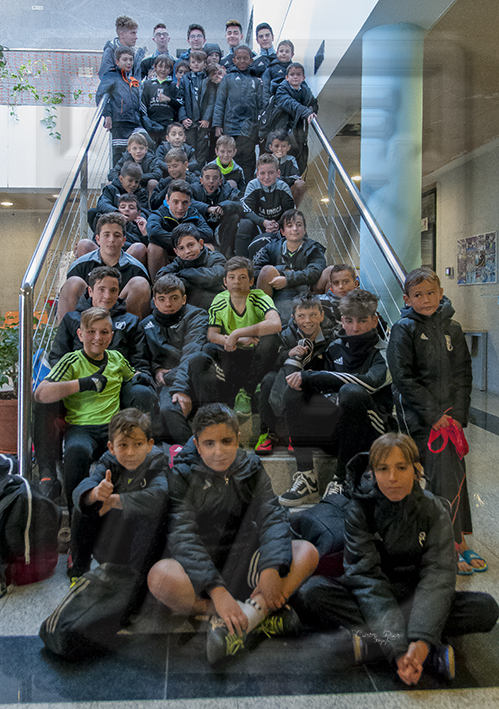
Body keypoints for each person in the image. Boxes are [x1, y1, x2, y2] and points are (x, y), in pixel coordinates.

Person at [292, 433, 499, 685]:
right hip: (372, 598)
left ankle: (375, 644)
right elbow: (366, 578)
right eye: (383, 469)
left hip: (417, 597)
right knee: (313, 592)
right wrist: (400, 648)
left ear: (416, 470)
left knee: (485, 608)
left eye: (401, 467)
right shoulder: (360, 510)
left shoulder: (434, 509)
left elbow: (437, 577)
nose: (392, 478)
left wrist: (420, 640)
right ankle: (425, 654)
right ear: (372, 473)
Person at [147, 403, 319, 665]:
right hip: (202, 572)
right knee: (159, 577)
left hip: (244, 561)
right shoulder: (181, 474)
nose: (218, 451)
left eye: (226, 441)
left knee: (307, 551)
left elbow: (273, 516)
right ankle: (251, 614)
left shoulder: (252, 466)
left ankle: (239, 622)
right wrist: (217, 593)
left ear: (238, 439)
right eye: (209, 444)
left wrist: (272, 568)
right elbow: (182, 537)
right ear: (197, 444)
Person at [386, 267, 481, 574]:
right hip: (420, 418)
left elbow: (463, 374)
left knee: (455, 471)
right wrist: (433, 415)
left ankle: (458, 538)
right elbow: (403, 378)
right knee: (440, 473)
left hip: (450, 418)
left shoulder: (453, 328)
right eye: (418, 295)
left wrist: (458, 415)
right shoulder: (404, 329)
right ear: (407, 299)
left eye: (431, 293)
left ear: (441, 293)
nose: (425, 299)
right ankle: (447, 542)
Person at [280, 289, 392, 506]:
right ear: (342, 320)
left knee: (350, 392)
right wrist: (297, 360)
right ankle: (307, 478)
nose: (355, 328)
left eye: (362, 320)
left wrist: (314, 376)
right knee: (295, 391)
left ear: (374, 319)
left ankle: (342, 479)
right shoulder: (335, 348)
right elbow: (304, 381)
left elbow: (370, 383)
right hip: (339, 432)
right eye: (349, 321)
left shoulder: (385, 351)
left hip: (372, 433)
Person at [34, 307, 136, 517]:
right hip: (81, 428)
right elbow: (41, 394)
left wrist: (141, 377)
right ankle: (77, 517)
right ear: (80, 335)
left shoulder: (117, 358)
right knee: (76, 451)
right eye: (91, 332)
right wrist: (82, 384)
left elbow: (132, 375)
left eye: (104, 332)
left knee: (130, 451)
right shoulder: (71, 360)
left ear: (111, 336)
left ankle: (121, 518)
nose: (98, 338)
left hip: (113, 427)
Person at [68, 408, 169, 583]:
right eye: (123, 445)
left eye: (138, 444)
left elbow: (161, 494)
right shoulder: (108, 462)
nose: (130, 452)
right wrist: (94, 493)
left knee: (153, 512)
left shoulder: (157, 461)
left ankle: (136, 579)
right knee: (84, 506)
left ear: (149, 445)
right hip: (111, 542)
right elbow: (82, 488)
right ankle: (79, 571)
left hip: (143, 549)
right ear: (111, 447)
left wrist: (118, 500)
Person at [255, 294, 331, 456]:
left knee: (303, 385)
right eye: (301, 316)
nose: (307, 320)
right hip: (287, 376)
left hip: (315, 382)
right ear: (294, 318)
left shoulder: (330, 336)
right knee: (269, 379)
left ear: (322, 315)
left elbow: (332, 366)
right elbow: (274, 365)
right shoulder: (286, 335)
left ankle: (295, 434)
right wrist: (287, 354)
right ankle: (268, 432)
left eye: (313, 315)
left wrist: (313, 374)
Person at [205, 256, 281, 415]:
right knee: (208, 349)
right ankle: (229, 392)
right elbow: (212, 335)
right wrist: (237, 340)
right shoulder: (219, 300)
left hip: (257, 356)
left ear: (251, 281)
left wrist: (237, 333)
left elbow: (276, 324)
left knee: (271, 339)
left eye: (242, 277)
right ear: (225, 282)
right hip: (234, 353)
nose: (236, 282)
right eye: (231, 277)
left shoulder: (259, 297)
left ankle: (247, 391)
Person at [140, 275, 210, 444]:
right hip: (165, 382)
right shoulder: (145, 324)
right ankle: (188, 450)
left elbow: (192, 353)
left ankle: (195, 451)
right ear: (154, 302)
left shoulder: (197, 316)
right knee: (164, 412)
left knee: (170, 410)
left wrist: (175, 383)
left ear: (184, 299)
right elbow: (141, 357)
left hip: (193, 377)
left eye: (174, 298)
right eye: (162, 299)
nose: (168, 304)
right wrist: (155, 369)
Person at [58, 213, 150, 322]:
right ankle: (68, 331)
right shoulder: (80, 265)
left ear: (123, 240)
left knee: (140, 283)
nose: (111, 240)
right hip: (87, 319)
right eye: (106, 235)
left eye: (117, 235)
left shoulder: (136, 268)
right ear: (97, 239)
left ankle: (131, 331)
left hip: (121, 320)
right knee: (73, 282)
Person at [253, 209, 326, 323]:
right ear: (282, 231)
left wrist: (287, 278)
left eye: (299, 225)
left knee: (331, 271)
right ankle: (263, 317)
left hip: (307, 292)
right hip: (278, 291)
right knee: (267, 270)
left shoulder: (314, 248)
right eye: (290, 225)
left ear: (304, 230)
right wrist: (282, 270)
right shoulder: (270, 248)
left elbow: (315, 271)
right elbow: (255, 272)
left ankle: (331, 316)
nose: (295, 229)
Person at [213, 44, 263, 184]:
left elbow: (261, 106)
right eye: (239, 58)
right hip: (231, 127)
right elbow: (220, 102)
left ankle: (247, 188)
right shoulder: (227, 79)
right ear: (233, 60)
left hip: (250, 129)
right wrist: (217, 124)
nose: (242, 61)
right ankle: (230, 188)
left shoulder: (256, 80)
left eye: (245, 58)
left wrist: (260, 129)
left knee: (248, 159)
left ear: (251, 60)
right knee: (230, 158)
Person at [147, 179, 213, 279]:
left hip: (190, 251)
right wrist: (180, 242)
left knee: (208, 246)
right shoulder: (158, 214)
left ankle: (201, 282)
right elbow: (153, 233)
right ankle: (158, 284)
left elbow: (208, 233)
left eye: (185, 202)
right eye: (176, 202)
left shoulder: (194, 214)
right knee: (154, 247)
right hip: (167, 252)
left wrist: (186, 242)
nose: (180, 207)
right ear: (167, 200)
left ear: (190, 202)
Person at [236, 153, 295, 258]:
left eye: (271, 173)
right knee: (245, 223)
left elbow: (290, 212)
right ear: (257, 174)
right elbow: (246, 211)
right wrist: (263, 222)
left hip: (278, 227)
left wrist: (278, 224)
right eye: (262, 173)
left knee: (296, 224)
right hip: (258, 225)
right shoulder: (253, 185)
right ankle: (241, 260)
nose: (266, 177)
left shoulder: (283, 187)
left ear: (278, 173)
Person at [156, 224, 226, 310]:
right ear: (176, 252)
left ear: (200, 244)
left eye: (191, 245)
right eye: (181, 248)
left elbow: (216, 276)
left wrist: (184, 273)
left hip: (215, 307)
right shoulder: (179, 262)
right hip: (189, 309)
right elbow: (161, 276)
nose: (187, 251)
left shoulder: (216, 258)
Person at [96, 47, 143, 165]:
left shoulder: (132, 79)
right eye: (125, 59)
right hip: (119, 122)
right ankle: (117, 176)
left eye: (131, 60)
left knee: (141, 146)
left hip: (134, 122)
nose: (129, 62)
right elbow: (100, 96)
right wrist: (107, 115)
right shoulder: (111, 75)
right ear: (117, 62)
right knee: (120, 154)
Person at [274, 62, 318, 173]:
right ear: (286, 77)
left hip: (298, 131)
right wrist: (306, 112)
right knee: (282, 164)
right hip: (281, 131)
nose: (295, 77)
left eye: (298, 74)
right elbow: (290, 103)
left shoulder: (306, 91)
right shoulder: (281, 90)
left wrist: (311, 110)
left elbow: (314, 103)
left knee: (300, 162)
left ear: (303, 78)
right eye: (292, 74)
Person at [190, 163, 243, 255]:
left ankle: (224, 253)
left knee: (234, 217)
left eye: (215, 178)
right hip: (201, 227)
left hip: (221, 226)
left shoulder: (227, 190)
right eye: (207, 178)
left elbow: (241, 203)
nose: (211, 181)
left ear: (220, 181)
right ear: (201, 180)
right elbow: (188, 202)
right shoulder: (193, 189)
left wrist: (222, 206)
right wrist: (207, 208)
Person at [178, 50, 215, 169]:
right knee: (189, 147)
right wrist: (183, 118)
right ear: (189, 64)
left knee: (203, 147)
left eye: (199, 62)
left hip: (203, 121)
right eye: (193, 62)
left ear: (205, 64)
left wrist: (207, 118)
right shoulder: (185, 79)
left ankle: (201, 171)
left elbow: (211, 101)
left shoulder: (208, 80)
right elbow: (180, 101)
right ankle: (190, 171)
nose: (196, 64)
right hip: (190, 120)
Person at [140, 55, 180, 144]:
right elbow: (143, 104)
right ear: (155, 67)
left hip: (167, 124)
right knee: (151, 147)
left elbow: (179, 105)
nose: (163, 69)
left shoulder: (173, 86)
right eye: (160, 66)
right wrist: (146, 121)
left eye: (167, 67)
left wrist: (169, 100)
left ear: (170, 70)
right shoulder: (147, 84)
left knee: (166, 148)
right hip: (152, 123)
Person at [108, 133, 162, 197]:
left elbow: (158, 174)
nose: (138, 151)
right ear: (129, 150)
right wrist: (125, 180)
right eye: (134, 148)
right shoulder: (125, 158)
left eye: (141, 148)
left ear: (146, 149)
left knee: (153, 183)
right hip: (127, 186)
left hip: (144, 187)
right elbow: (112, 173)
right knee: (109, 184)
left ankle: (151, 203)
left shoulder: (151, 159)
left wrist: (137, 178)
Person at [266, 128, 306, 206]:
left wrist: (279, 180)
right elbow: (258, 177)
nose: (280, 149)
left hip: (287, 190)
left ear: (288, 147)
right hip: (270, 192)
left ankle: (292, 209)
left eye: (283, 146)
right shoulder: (266, 159)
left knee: (300, 184)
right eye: (276, 146)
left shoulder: (291, 159)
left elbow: (296, 176)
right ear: (271, 147)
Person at [99, 15, 144, 80]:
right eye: (133, 33)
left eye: (136, 33)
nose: (136, 37)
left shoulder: (137, 53)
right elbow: (105, 78)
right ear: (122, 34)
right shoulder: (110, 51)